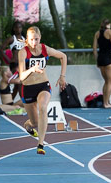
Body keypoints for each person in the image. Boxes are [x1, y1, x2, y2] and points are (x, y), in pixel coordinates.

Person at [18, 26, 67, 155]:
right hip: (27, 88)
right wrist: (32, 69)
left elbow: (63, 56)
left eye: (37, 39)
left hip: (43, 85)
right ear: (27, 40)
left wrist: (62, 76)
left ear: (40, 38)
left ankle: (41, 144)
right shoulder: (23, 52)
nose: (34, 43)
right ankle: (28, 125)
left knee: (43, 108)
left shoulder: (45, 49)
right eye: (31, 40)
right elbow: (21, 76)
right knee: (34, 122)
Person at [93, 19, 111, 108]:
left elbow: (94, 48)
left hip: (101, 58)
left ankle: (106, 101)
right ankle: (106, 103)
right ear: (108, 24)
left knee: (106, 81)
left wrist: (97, 60)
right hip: (109, 58)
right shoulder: (110, 32)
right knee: (110, 82)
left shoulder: (97, 33)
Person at [0, 21, 26, 99]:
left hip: (23, 63)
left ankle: (9, 103)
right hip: (15, 64)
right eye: (17, 27)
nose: (18, 29)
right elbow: (1, 49)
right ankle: (24, 103)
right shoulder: (11, 38)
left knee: (17, 87)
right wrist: (8, 60)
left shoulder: (24, 39)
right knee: (20, 82)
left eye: (20, 27)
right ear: (14, 29)